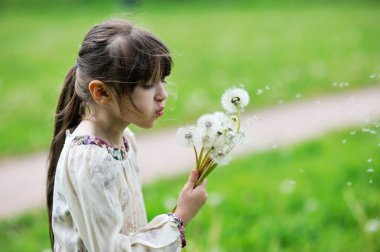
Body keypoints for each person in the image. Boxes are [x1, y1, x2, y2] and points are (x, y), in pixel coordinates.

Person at [46, 19, 208, 251]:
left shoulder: (123, 139)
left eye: (161, 81)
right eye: (147, 85)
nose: (163, 94)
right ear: (101, 92)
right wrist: (178, 219)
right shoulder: (92, 160)